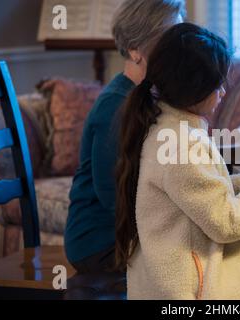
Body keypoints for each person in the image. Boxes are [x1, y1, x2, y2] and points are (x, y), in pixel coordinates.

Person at [115, 22, 240, 300]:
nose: (223, 91)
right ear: (193, 88)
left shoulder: (166, 124)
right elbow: (226, 222)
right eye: (217, 84)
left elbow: (198, 190)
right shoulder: (182, 145)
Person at [64, 0, 185, 273]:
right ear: (135, 50)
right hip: (100, 242)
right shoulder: (115, 106)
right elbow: (113, 197)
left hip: (132, 230)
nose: (176, 50)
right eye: (167, 39)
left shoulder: (150, 95)